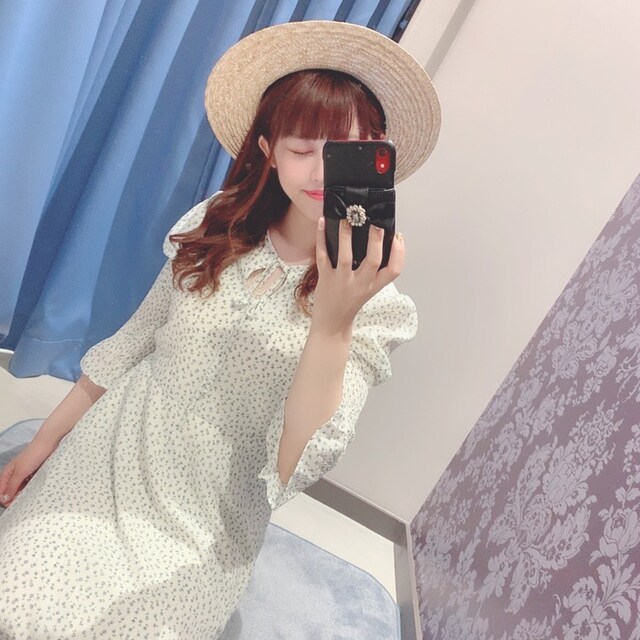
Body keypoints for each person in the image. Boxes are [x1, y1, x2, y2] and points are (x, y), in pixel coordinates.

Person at [0, 20, 440, 640]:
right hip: (121, 444)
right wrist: (44, 443)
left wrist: (334, 322)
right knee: (18, 603)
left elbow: (293, 465)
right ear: (267, 150)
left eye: (344, 151)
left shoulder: (378, 304)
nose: (322, 170)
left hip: (212, 511)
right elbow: (134, 340)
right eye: (301, 149)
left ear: (376, 155)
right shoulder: (217, 222)